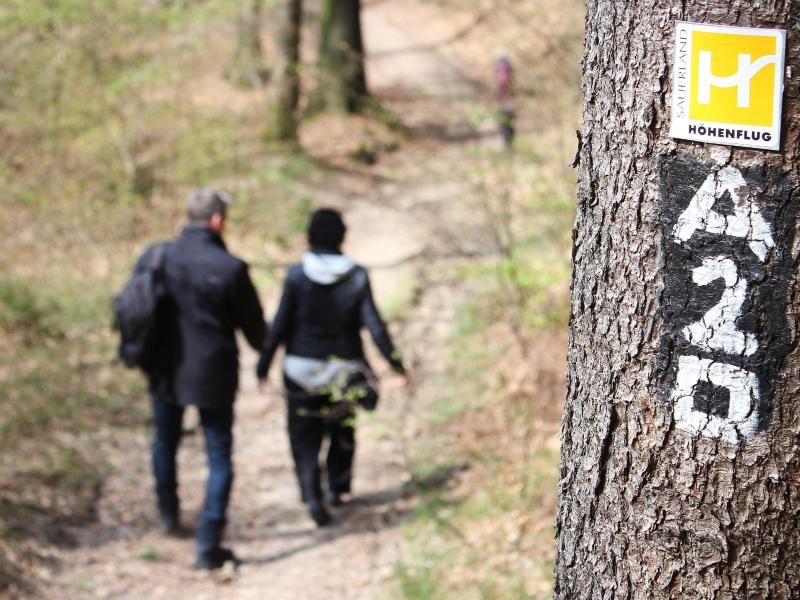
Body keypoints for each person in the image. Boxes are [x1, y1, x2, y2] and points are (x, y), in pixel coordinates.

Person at [133, 187, 267, 570]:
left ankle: (168, 513)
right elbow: (256, 332)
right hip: (214, 373)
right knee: (219, 455)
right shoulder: (230, 268)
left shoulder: (157, 256)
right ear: (217, 220)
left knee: (164, 442)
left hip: (165, 370)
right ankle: (208, 542)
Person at [256, 208, 407, 526]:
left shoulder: (297, 275)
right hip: (344, 370)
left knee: (303, 434)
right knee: (342, 427)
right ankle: (337, 488)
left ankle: (311, 493)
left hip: (300, 371)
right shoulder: (357, 275)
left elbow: (280, 324)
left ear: (309, 237)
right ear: (342, 237)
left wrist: (263, 365)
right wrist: (396, 365)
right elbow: (375, 326)